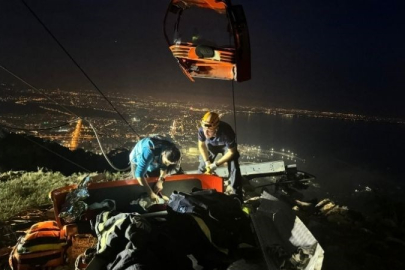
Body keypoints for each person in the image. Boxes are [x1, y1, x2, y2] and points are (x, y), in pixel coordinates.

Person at [197, 111, 243, 198]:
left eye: (209, 131)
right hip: (211, 145)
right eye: (204, 130)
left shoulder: (227, 132)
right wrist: (207, 161)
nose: (206, 133)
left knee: (233, 165)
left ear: (216, 128)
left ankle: (236, 194)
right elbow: (201, 145)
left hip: (226, 147)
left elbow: (231, 152)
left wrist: (216, 164)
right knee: (203, 165)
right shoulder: (202, 130)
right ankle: (198, 188)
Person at [129, 136, 181, 203]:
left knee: (154, 183)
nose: (167, 165)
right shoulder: (149, 152)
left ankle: (156, 196)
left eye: (170, 164)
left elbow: (164, 167)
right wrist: (150, 193)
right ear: (163, 153)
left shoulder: (174, 152)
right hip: (137, 159)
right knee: (139, 184)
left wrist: (160, 181)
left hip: (157, 160)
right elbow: (139, 174)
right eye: (166, 162)